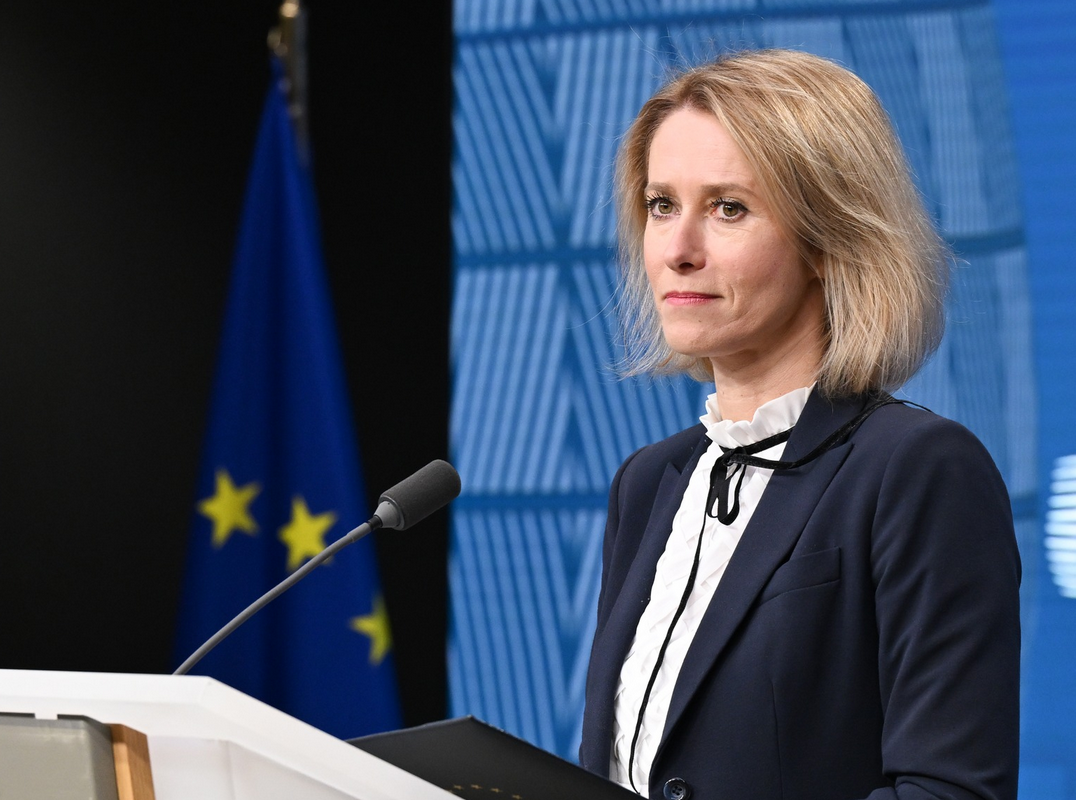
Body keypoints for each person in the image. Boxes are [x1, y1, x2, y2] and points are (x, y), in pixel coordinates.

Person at [579, 49, 1020, 800]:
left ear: (827, 240)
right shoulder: (648, 484)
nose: (678, 251)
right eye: (661, 205)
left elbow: (949, 791)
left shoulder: (917, 470)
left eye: (728, 208)